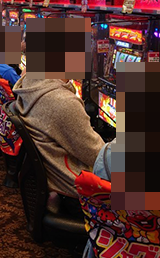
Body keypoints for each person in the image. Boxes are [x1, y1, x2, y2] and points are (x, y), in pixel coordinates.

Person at [12, 75, 105, 204]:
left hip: (52, 180)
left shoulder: (30, 81)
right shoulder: (64, 102)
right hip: (74, 191)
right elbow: (98, 157)